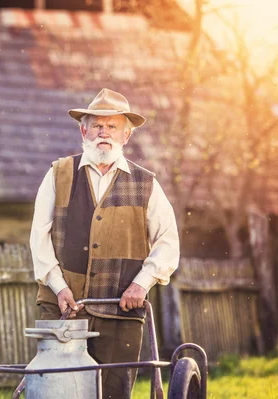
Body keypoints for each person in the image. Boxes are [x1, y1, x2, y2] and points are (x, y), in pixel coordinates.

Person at [29, 88, 180, 398]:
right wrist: (59, 287)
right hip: (63, 308)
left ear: (126, 135)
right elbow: (38, 237)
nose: (104, 133)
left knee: (114, 392)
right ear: (84, 130)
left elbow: (167, 242)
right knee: (59, 391)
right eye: (97, 125)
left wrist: (141, 284)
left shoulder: (145, 183)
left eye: (112, 126)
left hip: (120, 312)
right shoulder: (58, 174)